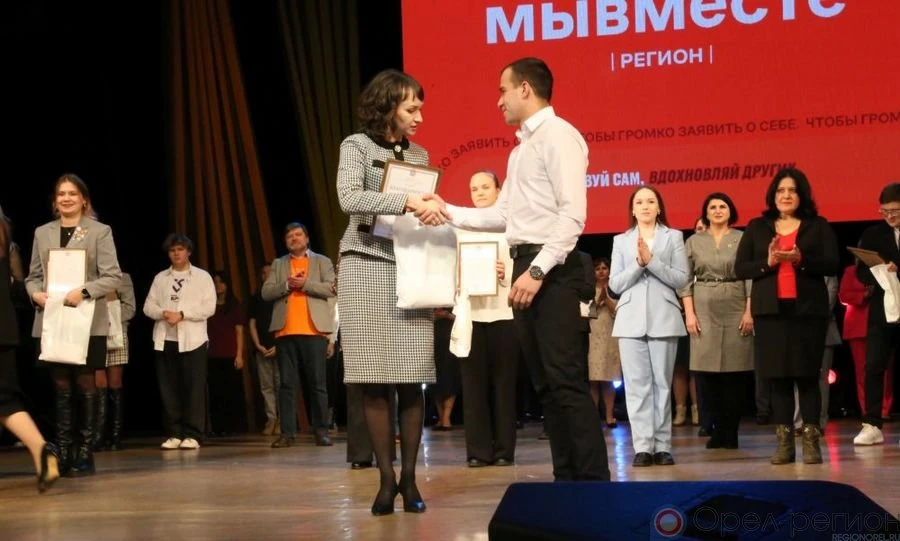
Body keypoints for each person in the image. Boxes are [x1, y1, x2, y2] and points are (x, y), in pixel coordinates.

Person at [433, 57, 610, 481]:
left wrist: (538, 271)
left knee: (566, 382)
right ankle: (567, 483)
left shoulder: (559, 135)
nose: (499, 101)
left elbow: (573, 216)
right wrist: (445, 210)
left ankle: (594, 487)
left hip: (553, 269)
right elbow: (503, 215)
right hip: (526, 264)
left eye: (503, 90)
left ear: (525, 88)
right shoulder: (519, 151)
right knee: (546, 385)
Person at [336, 69, 444, 515]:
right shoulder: (356, 146)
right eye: (411, 108)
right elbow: (349, 197)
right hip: (364, 264)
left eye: (420, 108)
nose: (419, 116)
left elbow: (420, 210)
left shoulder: (419, 154)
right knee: (374, 379)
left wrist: (433, 209)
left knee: (412, 375)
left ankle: (410, 479)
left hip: (408, 266)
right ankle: (385, 478)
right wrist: (405, 201)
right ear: (388, 105)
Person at [735, 167, 839, 464]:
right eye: (781, 190)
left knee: (807, 377)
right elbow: (740, 268)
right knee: (778, 379)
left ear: (801, 195)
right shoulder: (757, 227)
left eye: (792, 190)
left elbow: (832, 263)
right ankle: (784, 445)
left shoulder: (817, 226)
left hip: (808, 312)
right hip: (771, 313)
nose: (786, 195)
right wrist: (767, 262)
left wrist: (801, 260)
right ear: (773, 195)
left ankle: (811, 444)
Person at [25, 173, 123, 477]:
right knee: (61, 386)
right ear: (55, 201)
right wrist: (35, 294)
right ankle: (64, 450)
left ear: (84, 200)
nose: (66, 198)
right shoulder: (43, 232)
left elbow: (113, 276)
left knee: (85, 383)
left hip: (87, 319)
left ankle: (84, 452)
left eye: (72, 194)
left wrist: (83, 291)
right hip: (53, 319)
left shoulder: (99, 231)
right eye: (61, 194)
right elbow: (33, 276)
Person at [610, 186, 690, 466]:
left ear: (659, 207)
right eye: (639, 202)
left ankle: (662, 446)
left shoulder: (673, 237)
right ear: (632, 210)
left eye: (651, 201)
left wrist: (652, 262)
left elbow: (681, 278)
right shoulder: (621, 240)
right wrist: (638, 263)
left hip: (664, 317)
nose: (645, 206)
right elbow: (615, 284)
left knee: (662, 384)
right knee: (636, 386)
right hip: (630, 319)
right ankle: (643, 446)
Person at [679, 193, 753, 449]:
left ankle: (731, 432)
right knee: (707, 374)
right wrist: (689, 313)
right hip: (704, 305)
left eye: (723, 206)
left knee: (735, 373)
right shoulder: (693, 241)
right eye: (713, 207)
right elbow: (685, 279)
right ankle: (715, 429)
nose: (718, 210)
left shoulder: (742, 238)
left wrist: (749, 311)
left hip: (735, 303)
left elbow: (750, 277)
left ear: (730, 211)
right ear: (706, 213)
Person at [457, 170, 519, 466]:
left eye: (485, 187)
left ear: (498, 191)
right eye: (474, 188)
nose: (479, 192)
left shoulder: (511, 227)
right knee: (473, 388)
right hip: (471, 316)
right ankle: (478, 452)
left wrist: (506, 272)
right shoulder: (461, 228)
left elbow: (524, 269)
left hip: (504, 313)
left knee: (504, 386)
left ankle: (504, 451)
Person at [0, 206, 59, 492]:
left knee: (4, 401)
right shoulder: (3, 231)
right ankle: (41, 450)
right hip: (5, 329)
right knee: (4, 401)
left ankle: (41, 449)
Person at [263, 222, 336, 448]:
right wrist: (286, 285)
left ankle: (321, 431)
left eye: (298, 234)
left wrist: (305, 284)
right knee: (286, 385)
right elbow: (266, 292)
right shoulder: (278, 264)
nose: (294, 238)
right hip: (285, 331)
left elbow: (332, 288)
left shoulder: (322, 261)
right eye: (289, 236)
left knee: (317, 384)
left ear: (307, 239)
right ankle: (287, 433)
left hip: (314, 330)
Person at [144, 234, 216, 450]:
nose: (176, 253)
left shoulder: (202, 277)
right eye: (172, 250)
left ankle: (193, 434)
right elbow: (148, 306)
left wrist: (183, 314)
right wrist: (163, 313)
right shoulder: (161, 278)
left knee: (193, 388)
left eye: (180, 249)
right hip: (165, 339)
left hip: (193, 340)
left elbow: (209, 307)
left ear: (189, 252)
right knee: (169, 389)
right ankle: (174, 433)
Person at [853, 182, 900, 446]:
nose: (890, 216)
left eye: (895, 211)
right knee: (873, 365)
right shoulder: (873, 234)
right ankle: (871, 423)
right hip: (883, 309)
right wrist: (878, 269)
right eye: (885, 211)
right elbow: (860, 270)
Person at [838, 262, 893, 422]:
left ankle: (884, 409)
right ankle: (867, 410)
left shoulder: (886, 269)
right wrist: (865, 294)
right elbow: (843, 296)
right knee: (862, 371)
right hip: (858, 326)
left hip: (883, 324)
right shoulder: (851, 271)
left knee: (885, 369)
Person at [95, 271, 135, 451]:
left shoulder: (123, 278)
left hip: (117, 333)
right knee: (99, 384)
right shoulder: (90, 277)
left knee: (115, 383)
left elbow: (130, 308)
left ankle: (115, 436)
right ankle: (98, 435)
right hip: (95, 334)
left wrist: (111, 318)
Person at [206, 270, 246, 436]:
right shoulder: (208, 305)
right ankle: (217, 427)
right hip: (212, 354)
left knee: (231, 392)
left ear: (227, 284)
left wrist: (239, 355)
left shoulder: (234, 305)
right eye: (215, 282)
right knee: (215, 392)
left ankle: (232, 427)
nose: (218, 285)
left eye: (221, 282)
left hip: (229, 353)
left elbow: (239, 331)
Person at [248, 263, 280, 436]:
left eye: (269, 272)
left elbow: (285, 322)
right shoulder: (256, 298)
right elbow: (252, 324)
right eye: (263, 272)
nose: (266, 275)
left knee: (281, 384)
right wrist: (258, 345)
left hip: (280, 346)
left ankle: (282, 420)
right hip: (262, 348)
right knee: (266, 385)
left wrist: (278, 345)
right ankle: (271, 418)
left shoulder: (280, 296)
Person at [588, 257, 620, 428]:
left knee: (609, 377)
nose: (601, 271)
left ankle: (609, 415)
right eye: (597, 268)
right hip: (593, 335)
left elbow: (620, 313)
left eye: (604, 268)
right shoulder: (588, 289)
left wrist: (606, 300)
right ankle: (593, 417)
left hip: (610, 335)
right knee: (593, 378)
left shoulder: (615, 289)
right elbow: (586, 312)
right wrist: (597, 302)